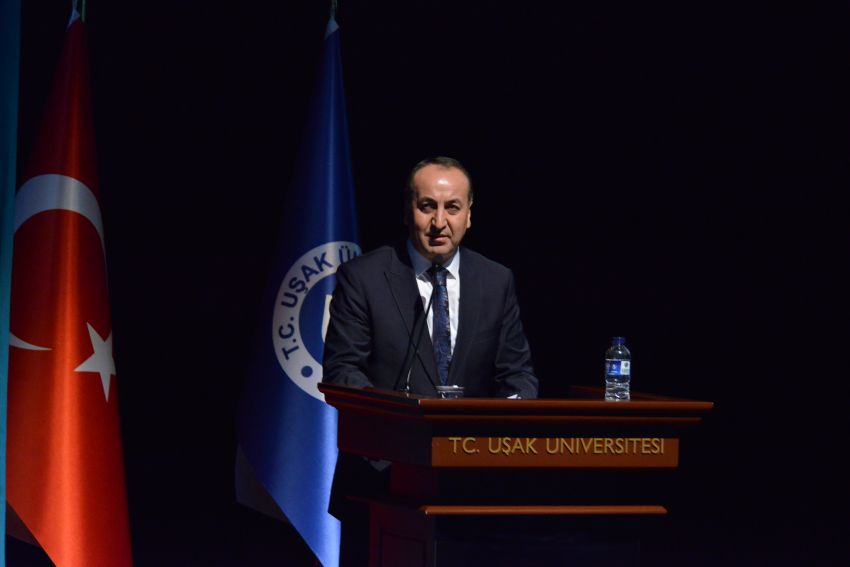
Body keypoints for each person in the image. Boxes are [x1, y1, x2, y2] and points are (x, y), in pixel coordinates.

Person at [322, 156, 538, 398]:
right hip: (391, 421)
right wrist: (389, 411)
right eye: (427, 206)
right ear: (407, 212)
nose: (439, 222)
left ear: (468, 215)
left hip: (472, 424)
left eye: (452, 207)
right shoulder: (363, 278)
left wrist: (510, 408)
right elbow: (342, 369)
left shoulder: (496, 281)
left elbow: (517, 375)